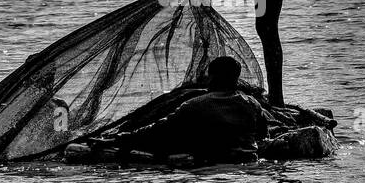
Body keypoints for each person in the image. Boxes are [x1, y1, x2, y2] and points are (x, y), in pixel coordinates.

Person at [104, 56, 268, 162]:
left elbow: (159, 129)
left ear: (211, 77)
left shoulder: (195, 105)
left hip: (212, 161)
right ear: (236, 79)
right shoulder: (252, 104)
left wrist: (122, 138)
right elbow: (263, 135)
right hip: (248, 158)